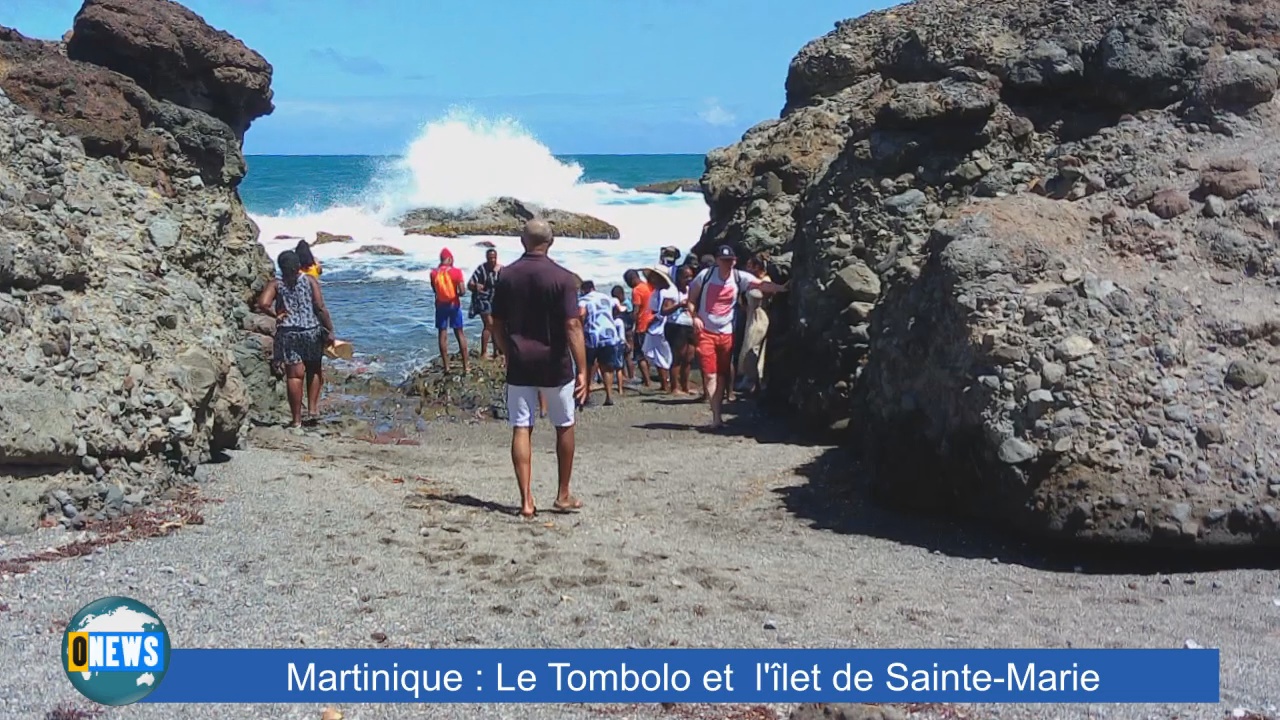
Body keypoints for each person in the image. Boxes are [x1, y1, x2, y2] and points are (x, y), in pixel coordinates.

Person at [490, 220, 588, 519]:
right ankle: (563, 494)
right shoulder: (563, 278)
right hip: (555, 363)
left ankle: (526, 501)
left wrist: (508, 351)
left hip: (521, 361)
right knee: (564, 425)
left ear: (522, 241)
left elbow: (495, 323)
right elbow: (572, 325)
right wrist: (583, 368)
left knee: (522, 426)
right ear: (552, 242)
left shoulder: (506, 275)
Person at [687, 245, 787, 429]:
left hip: (726, 332)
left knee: (723, 373)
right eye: (725, 260)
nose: (728, 263)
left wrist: (781, 288)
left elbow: (761, 284)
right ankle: (716, 416)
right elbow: (691, 300)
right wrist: (694, 318)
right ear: (717, 261)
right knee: (710, 375)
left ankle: (718, 417)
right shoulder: (705, 276)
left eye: (731, 260)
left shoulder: (738, 277)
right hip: (706, 331)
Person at [256, 250, 336, 428]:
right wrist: (330, 329)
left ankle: (296, 420)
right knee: (314, 368)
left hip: (289, 333)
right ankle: (313, 410)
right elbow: (320, 306)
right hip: (311, 330)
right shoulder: (309, 281)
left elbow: (263, 303)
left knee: (294, 376)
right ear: (298, 265)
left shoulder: (277, 284)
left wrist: (277, 313)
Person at [577, 280, 627, 406]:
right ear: (594, 288)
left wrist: (581, 326)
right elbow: (618, 308)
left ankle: (586, 395)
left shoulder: (583, 300)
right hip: (609, 334)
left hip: (592, 336)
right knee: (607, 367)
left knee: (588, 366)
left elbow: (582, 313)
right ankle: (609, 396)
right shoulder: (606, 297)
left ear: (583, 290)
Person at [430, 248, 469, 374]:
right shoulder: (456, 272)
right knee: (459, 334)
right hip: (454, 305)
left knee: (442, 334)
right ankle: (465, 367)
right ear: (450, 259)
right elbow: (463, 291)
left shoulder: (434, 273)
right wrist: (455, 295)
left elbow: (434, 290)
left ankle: (446, 367)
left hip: (440, 306)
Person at [737, 255, 772, 395]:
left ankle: (753, 381)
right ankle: (749, 379)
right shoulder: (753, 281)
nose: (747, 269)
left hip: (760, 317)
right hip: (751, 315)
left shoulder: (765, 281)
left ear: (757, 267)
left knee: (753, 348)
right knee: (747, 347)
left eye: (750, 265)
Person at [661, 265, 696, 396]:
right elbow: (664, 311)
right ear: (679, 277)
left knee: (689, 357)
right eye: (686, 277)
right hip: (676, 325)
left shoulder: (690, 289)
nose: (689, 279)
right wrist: (679, 305)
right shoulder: (671, 291)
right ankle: (674, 387)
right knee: (678, 357)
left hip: (689, 324)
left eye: (691, 276)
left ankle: (686, 387)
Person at [641, 268, 675, 392]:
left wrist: (652, 321)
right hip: (656, 323)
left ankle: (666, 384)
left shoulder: (666, 292)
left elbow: (663, 311)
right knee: (657, 355)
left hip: (660, 325)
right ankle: (665, 383)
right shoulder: (658, 290)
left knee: (662, 355)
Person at [468, 248, 502, 359]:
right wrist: (475, 286)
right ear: (486, 258)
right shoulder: (481, 269)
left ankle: (497, 351)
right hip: (482, 300)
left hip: (495, 300)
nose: (492, 260)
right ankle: (484, 352)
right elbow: (470, 284)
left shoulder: (500, 269)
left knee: (496, 325)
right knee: (489, 324)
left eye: (494, 258)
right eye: (490, 258)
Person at [624, 269, 653, 388]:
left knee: (640, 355)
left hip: (642, 324)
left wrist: (630, 323)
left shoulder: (636, 291)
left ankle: (647, 381)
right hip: (652, 321)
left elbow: (636, 310)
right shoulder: (648, 286)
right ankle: (649, 378)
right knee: (649, 353)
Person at [611, 285, 635, 381]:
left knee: (627, 355)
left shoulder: (626, 304)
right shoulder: (623, 304)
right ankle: (625, 375)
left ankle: (631, 375)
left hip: (627, 331)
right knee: (623, 355)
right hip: (623, 330)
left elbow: (630, 317)